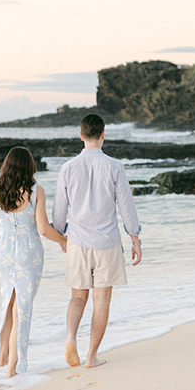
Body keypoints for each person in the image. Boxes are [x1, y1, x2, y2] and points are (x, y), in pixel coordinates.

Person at [51, 114, 142, 369]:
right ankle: (91, 356)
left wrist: (60, 236)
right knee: (101, 300)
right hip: (107, 243)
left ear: (81, 135)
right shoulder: (114, 166)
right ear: (103, 135)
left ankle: (70, 338)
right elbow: (127, 207)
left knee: (78, 297)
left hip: (78, 242)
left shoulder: (68, 167)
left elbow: (59, 209)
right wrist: (135, 239)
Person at [0, 147, 67, 378]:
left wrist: (1, 253)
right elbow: (44, 229)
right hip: (30, 254)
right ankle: (14, 366)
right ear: (29, 166)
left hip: (4, 253)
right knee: (22, 307)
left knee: (8, 302)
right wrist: (65, 241)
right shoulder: (35, 191)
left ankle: (2, 357)